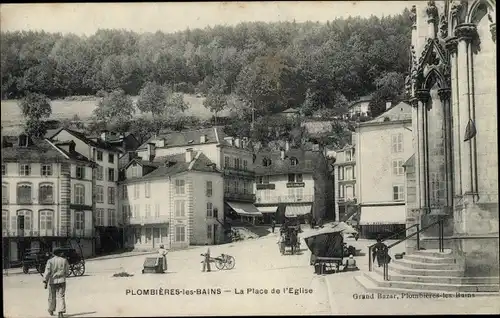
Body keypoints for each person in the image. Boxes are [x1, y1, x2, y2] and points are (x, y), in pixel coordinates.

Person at [43, 249, 70, 318]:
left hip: (52, 281)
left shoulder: (50, 261)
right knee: (61, 296)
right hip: (62, 281)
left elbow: (47, 271)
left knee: (52, 296)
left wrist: (45, 281)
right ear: (60, 253)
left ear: (54, 253)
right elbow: (67, 272)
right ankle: (60, 312)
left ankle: (51, 310)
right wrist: (64, 274)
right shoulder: (64, 260)